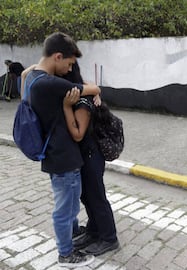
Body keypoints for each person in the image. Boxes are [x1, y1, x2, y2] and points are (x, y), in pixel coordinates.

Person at [21, 32, 101, 268]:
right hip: (62, 155)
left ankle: (73, 234)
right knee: (65, 209)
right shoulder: (52, 84)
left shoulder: (32, 77)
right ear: (57, 56)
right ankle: (66, 254)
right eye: (69, 63)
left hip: (56, 154)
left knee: (70, 204)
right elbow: (93, 89)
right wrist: (93, 90)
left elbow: (27, 70)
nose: (69, 69)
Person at [62, 62, 120, 256]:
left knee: (96, 196)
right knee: (87, 195)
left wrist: (66, 107)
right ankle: (94, 231)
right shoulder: (79, 88)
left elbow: (78, 134)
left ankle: (109, 238)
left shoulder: (80, 96)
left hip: (91, 154)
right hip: (84, 154)